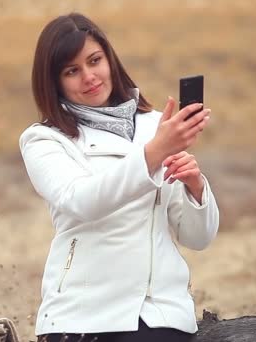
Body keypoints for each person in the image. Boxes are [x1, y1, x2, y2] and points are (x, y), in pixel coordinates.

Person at [19, 12, 220, 342]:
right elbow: (81, 200)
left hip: (161, 314)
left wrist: (195, 187)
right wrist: (155, 152)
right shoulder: (44, 139)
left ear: (110, 59)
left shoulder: (156, 127)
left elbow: (198, 238)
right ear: (53, 83)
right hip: (82, 315)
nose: (89, 76)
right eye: (72, 71)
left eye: (94, 60)